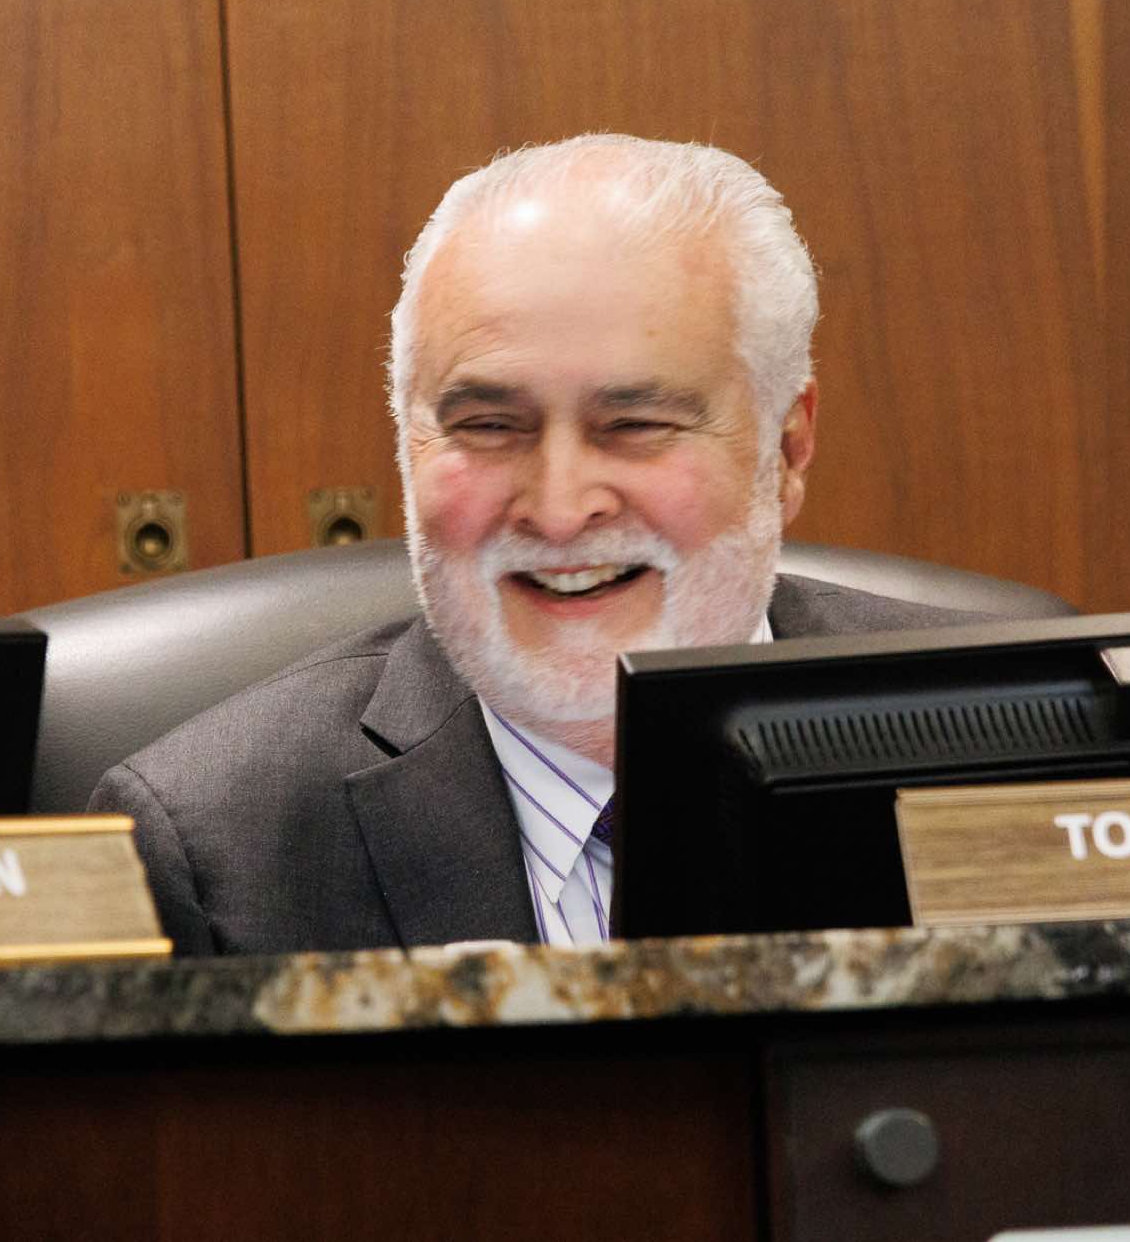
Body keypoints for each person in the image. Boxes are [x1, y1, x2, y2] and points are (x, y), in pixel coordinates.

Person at [93, 134, 994, 956]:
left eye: (635, 424)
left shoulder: (995, 756)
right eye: (489, 426)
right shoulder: (212, 851)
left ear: (786, 449)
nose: (560, 511)